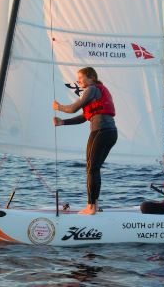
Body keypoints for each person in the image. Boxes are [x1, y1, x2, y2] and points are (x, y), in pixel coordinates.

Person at [53, 67, 118, 215]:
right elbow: (84, 116)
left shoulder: (92, 89)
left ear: (91, 78)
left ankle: (91, 207)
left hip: (101, 131)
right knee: (94, 169)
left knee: (91, 169)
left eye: (80, 78)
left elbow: (73, 108)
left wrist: (58, 107)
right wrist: (63, 122)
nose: (78, 81)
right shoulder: (95, 92)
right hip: (108, 132)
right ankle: (95, 204)